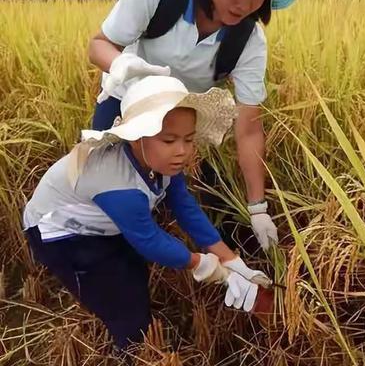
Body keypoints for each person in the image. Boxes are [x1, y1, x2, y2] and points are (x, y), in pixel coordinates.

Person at [88, 0, 309, 251]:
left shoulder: (249, 40)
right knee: (109, 193)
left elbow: (249, 128)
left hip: (182, 116)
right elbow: (98, 45)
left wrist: (258, 207)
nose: (244, 4)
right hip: (125, 103)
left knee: (172, 192)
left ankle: (178, 251)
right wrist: (120, 64)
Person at [23, 75, 271, 352]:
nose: (182, 151)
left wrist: (232, 261)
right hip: (63, 234)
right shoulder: (118, 184)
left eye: (188, 140)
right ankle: (134, 349)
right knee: (123, 304)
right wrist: (204, 265)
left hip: (105, 224)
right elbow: (149, 240)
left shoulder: (161, 163)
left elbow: (185, 207)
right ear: (137, 136)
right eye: (169, 140)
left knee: (131, 272)